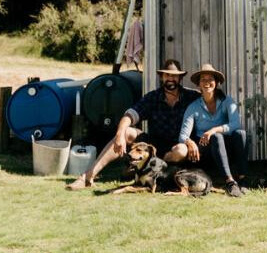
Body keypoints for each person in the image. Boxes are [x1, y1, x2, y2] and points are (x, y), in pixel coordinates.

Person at [66, 59, 200, 190]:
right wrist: (119, 135)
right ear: (161, 77)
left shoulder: (191, 96)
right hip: (153, 144)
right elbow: (129, 115)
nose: (171, 78)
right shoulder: (152, 97)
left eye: (174, 76)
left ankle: (146, 167)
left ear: (180, 78)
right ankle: (87, 176)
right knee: (127, 131)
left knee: (181, 151)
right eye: (167, 75)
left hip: (177, 145)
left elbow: (211, 99)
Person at [179, 63, 248, 198]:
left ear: (216, 83)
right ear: (199, 84)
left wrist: (214, 129)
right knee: (216, 137)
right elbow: (183, 135)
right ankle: (229, 182)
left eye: (210, 79)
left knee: (241, 134)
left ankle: (243, 179)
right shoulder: (193, 107)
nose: (207, 82)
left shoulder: (227, 101)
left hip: (226, 148)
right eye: (203, 80)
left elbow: (236, 124)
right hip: (206, 151)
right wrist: (189, 142)